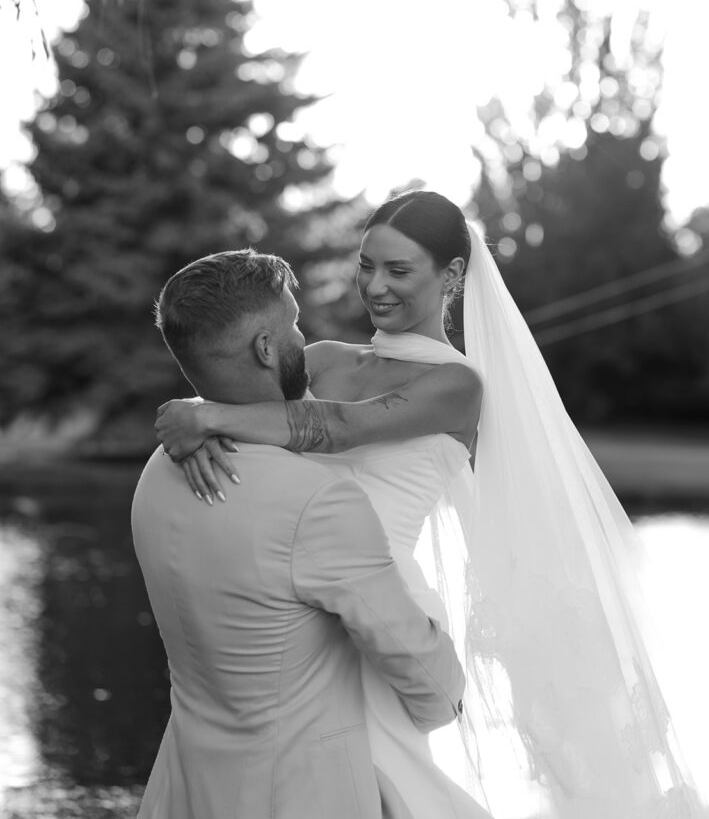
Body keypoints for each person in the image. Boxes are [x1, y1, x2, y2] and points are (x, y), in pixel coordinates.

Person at [156, 190, 704, 818]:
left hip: (378, 598)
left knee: (377, 780)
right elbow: (250, 396)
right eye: (366, 265)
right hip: (289, 592)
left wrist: (201, 415)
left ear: (451, 276)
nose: (376, 286)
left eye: (399, 270)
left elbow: (334, 428)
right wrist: (199, 428)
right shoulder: (322, 359)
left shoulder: (456, 385)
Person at [132, 248, 468, 819]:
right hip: (294, 795)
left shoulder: (159, 471)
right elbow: (427, 682)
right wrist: (455, 694)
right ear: (266, 347)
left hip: (182, 787)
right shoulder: (317, 500)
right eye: (292, 323)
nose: (301, 338)